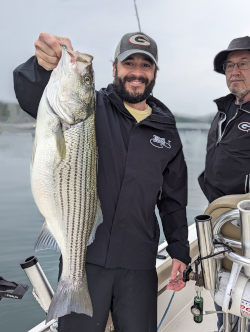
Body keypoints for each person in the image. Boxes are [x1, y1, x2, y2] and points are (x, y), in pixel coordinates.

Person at [14, 31, 191, 332]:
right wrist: (44, 66)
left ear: (154, 72)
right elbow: (34, 96)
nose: (136, 73)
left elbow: (173, 199)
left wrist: (179, 251)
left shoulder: (167, 131)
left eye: (145, 66)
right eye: (128, 64)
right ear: (114, 69)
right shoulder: (89, 108)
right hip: (85, 257)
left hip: (139, 264)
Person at [198, 36, 250, 332]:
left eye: (243, 63)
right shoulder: (225, 110)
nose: (234, 71)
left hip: (246, 227)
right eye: (230, 66)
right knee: (224, 298)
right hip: (218, 227)